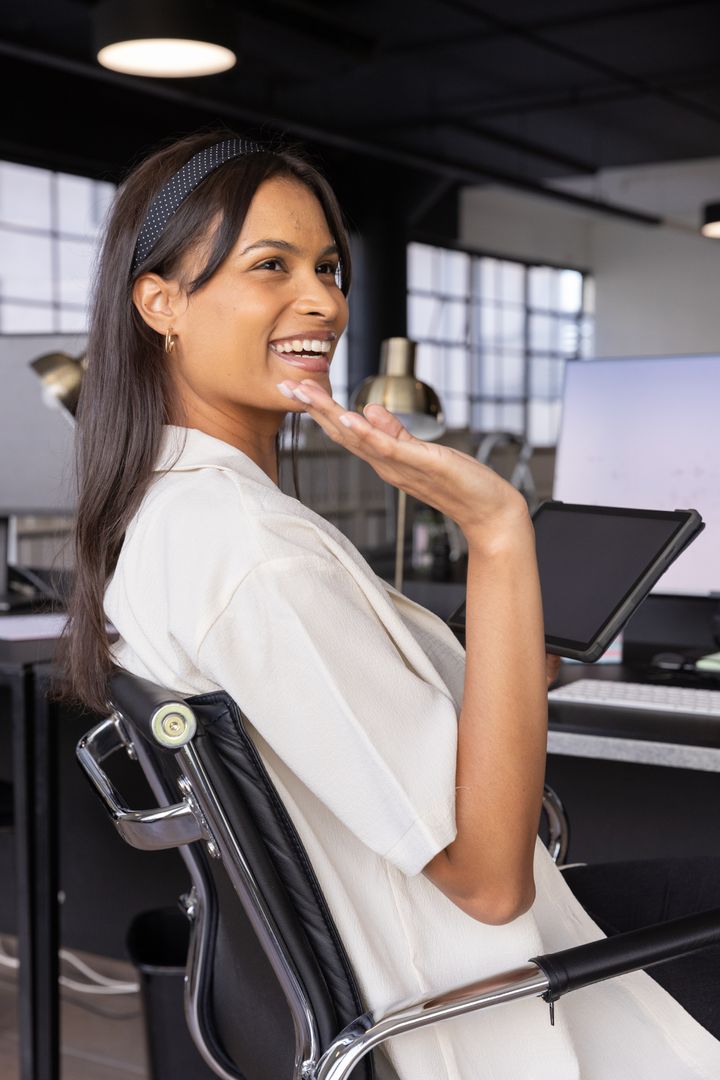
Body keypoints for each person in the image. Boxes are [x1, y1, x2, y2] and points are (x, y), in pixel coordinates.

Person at [59, 129, 720, 1079]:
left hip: (448, 965)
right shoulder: (252, 552)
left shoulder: (179, 515)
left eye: (328, 266)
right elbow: (490, 882)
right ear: (161, 302)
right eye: (270, 265)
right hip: (483, 1002)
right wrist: (496, 533)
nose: (324, 300)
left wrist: (505, 657)